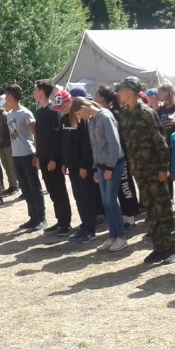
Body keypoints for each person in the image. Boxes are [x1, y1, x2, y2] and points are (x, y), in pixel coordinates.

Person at [117, 77, 175, 264]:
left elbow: (160, 142)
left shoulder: (147, 113)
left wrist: (163, 167)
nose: (118, 94)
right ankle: (158, 248)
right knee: (150, 209)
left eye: (121, 90)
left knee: (163, 208)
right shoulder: (124, 115)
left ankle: (171, 248)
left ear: (130, 92)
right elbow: (127, 144)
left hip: (154, 169)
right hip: (139, 170)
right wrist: (133, 167)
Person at [71, 96, 129, 252]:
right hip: (101, 166)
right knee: (105, 202)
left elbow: (114, 144)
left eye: (79, 113)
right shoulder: (91, 120)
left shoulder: (105, 117)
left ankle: (121, 237)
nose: (80, 117)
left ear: (84, 107)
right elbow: (95, 147)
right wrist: (96, 168)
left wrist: (110, 168)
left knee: (111, 201)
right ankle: (112, 236)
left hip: (113, 165)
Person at [94, 86, 142, 228]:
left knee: (125, 186)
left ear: (102, 98)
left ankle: (130, 218)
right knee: (118, 189)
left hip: (121, 156)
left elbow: (121, 138)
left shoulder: (114, 114)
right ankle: (124, 216)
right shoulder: (104, 114)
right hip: (110, 158)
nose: (94, 97)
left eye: (96, 94)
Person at [56, 90, 98, 244]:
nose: (61, 109)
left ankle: (90, 230)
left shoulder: (81, 119)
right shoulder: (63, 119)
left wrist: (84, 165)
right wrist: (64, 162)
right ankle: (84, 225)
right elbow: (63, 143)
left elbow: (86, 144)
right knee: (78, 197)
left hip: (83, 167)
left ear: (70, 101)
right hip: (71, 167)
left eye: (63, 106)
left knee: (87, 197)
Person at [5, 85, 47, 231]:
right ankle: (33, 217)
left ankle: (41, 218)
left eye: (6, 96)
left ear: (11, 97)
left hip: (28, 154)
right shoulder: (9, 114)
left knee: (34, 187)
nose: (5, 99)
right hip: (16, 156)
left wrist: (36, 154)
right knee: (25, 188)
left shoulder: (25, 113)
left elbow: (36, 135)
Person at [34, 79, 73, 235]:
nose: (34, 92)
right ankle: (59, 221)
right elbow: (39, 137)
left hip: (53, 160)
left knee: (59, 191)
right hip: (43, 159)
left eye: (35, 89)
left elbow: (57, 137)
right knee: (52, 191)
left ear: (42, 91)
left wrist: (54, 159)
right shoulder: (39, 112)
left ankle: (66, 223)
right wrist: (38, 156)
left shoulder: (53, 111)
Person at [157, 83, 175, 200]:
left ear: (167, 92)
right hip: (167, 142)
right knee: (169, 170)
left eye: (160, 92)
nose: (158, 95)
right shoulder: (162, 108)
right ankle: (170, 196)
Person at [0, 94, 19, 196]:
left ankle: (15, 186)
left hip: (7, 145)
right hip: (0, 145)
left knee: (11, 167)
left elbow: (11, 131)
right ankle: (11, 185)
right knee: (6, 167)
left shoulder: (4, 115)